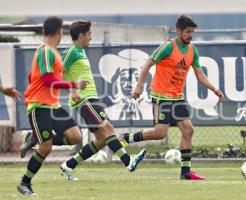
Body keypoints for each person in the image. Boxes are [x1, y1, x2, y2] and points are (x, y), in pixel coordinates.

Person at [121, 15, 224, 180]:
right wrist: (139, 86)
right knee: (160, 133)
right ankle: (127, 138)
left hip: (177, 97)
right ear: (178, 31)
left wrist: (214, 89)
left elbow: (199, 74)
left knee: (188, 130)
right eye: (188, 32)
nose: (191, 35)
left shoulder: (192, 50)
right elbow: (148, 63)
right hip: (161, 96)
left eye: (192, 32)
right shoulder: (168, 47)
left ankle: (186, 172)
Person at [59, 20, 146, 180]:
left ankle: (68, 165)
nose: (91, 38)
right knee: (107, 128)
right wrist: (72, 91)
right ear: (81, 36)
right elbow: (59, 73)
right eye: (89, 34)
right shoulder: (72, 52)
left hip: (91, 98)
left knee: (100, 140)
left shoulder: (81, 52)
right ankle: (128, 161)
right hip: (85, 100)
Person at [17, 16, 88, 196]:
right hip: (39, 106)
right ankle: (25, 182)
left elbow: (31, 77)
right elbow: (48, 80)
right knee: (46, 147)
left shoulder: (53, 53)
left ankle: (35, 139)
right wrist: (73, 85)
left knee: (75, 136)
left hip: (53, 106)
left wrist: (70, 90)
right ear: (59, 32)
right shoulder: (46, 51)